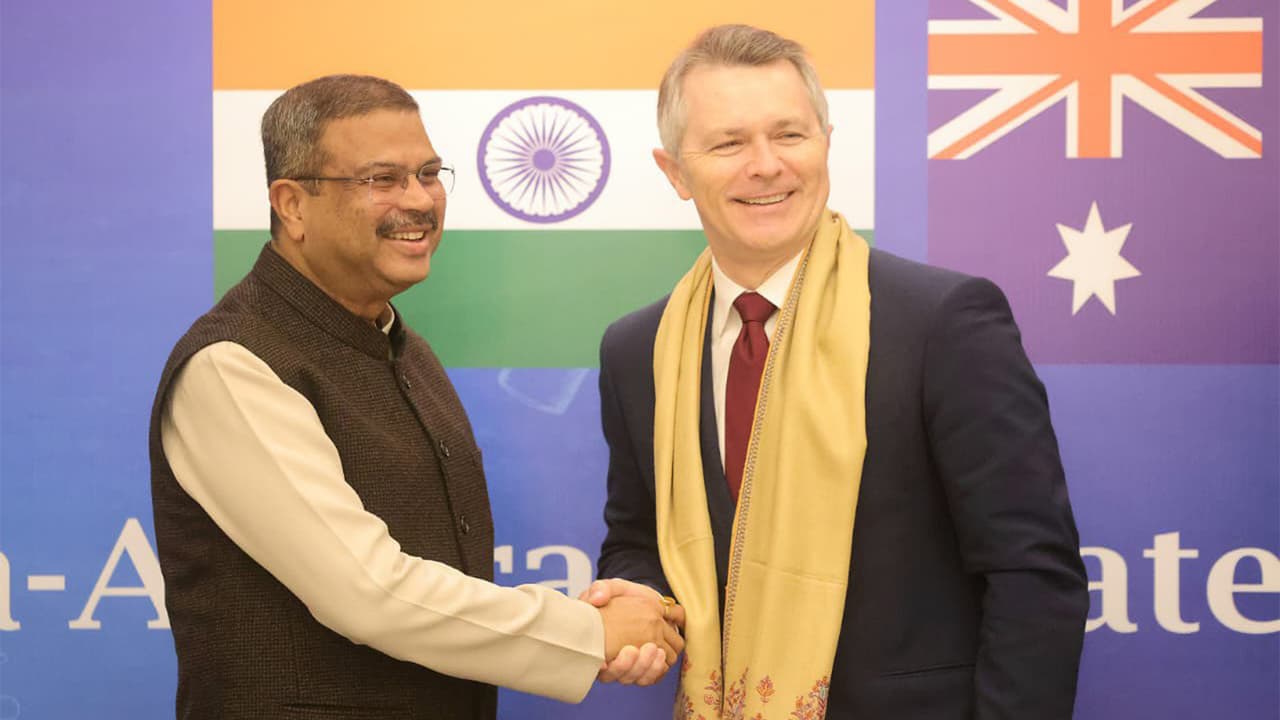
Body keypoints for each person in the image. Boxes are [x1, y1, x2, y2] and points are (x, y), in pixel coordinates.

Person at [587, 25, 1089, 719]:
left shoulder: (942, 321)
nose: (766, 165)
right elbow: (637, 537)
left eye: (789, 135)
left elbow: (1032, 574)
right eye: (729, 143)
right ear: (674, 171)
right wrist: (635, 594)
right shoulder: (636, 350)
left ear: (826, 142)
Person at [148, 74, 682, 720]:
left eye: (428, 173)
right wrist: (589, 632)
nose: (420, 200)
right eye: (381, 179)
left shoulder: (406, 349)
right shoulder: (232, 365)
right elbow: (367, 592)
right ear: (292, 205)